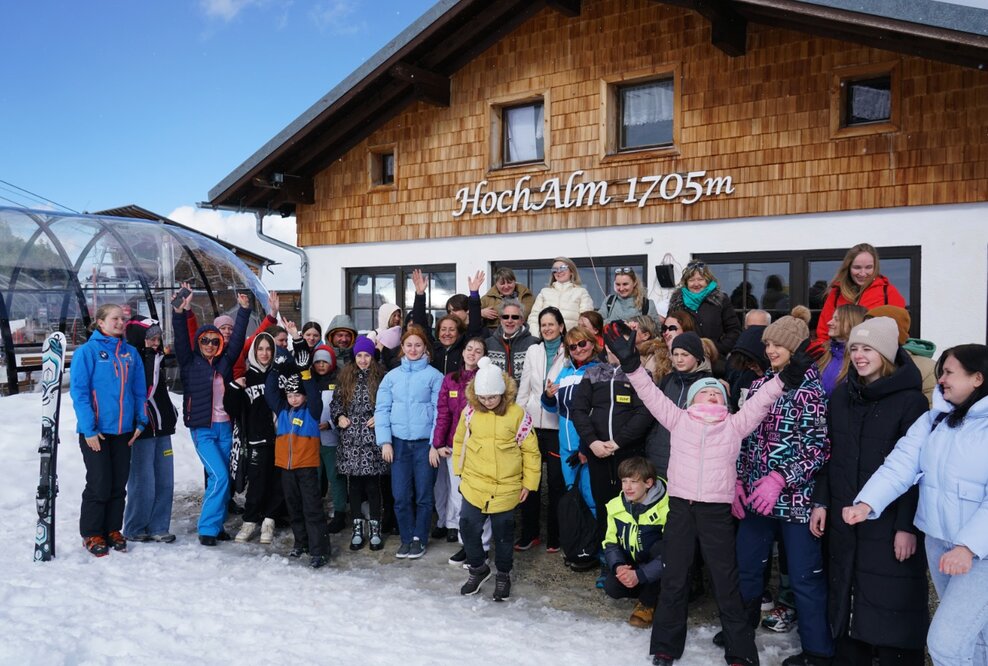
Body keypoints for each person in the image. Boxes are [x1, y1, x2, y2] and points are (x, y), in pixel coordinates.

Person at [603, 321, 815, 666]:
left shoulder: (734, 424)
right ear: (690, 399)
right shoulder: (677, 418)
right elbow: (649, 393)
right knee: (674, 577)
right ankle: (665, 648)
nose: (712, 395)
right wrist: (631, 365)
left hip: (716, 511)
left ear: (726, 400)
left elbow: (761, 401)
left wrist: (785, 379)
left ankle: (741, 652)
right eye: (704, 391)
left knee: (726, 582)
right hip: (681, 508)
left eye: (717, 392)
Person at [844, 344, 988, 666]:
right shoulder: (935, 420)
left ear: (977, 378)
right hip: (939, 542)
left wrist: (967, 547)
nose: (941, 381)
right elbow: (900, 465)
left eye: (949, 373)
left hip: (980, 553)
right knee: (978, 637)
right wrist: (867, 503)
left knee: (946, 645)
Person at [809, 318, 929, 665]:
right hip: (845, 512)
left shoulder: (911, 403)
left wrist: (907, 526)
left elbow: (916, 471)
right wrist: (821, 501)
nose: (860, 356)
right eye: (855, 349)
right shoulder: (843, 396)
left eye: (868, 349)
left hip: (889, 520)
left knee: (889, 595)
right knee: (846, 590)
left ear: (887, 352)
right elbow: (830, 456)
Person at [735, 311, 833, 666]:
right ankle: (738, 632)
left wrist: (781, 478)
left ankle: (818, 651)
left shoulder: (810, 390)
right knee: (747, 568)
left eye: (777, 344)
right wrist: (739, 482)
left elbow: (818, 449)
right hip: (756, 499)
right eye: (768, 344)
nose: (770, 350)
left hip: (795, 501)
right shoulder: (762, 384)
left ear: (794, 348)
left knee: (805, 578)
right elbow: (746, 438)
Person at [569, 327, 654, 588]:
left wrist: (618, 442)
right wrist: (593, 442)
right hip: (598, 454)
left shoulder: (642, 375)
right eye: (612, 343)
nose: (616, 348)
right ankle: (612, 563)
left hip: (628, 454)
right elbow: (578, 409)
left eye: (623, 343)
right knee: (607, 507)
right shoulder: (593, 373)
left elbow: (645, 413)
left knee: (634, 507)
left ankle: (639, 565)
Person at [453, 357, 540, 601]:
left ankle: (503, 573)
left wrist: (529, 484)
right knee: (468, 527)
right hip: (474, 482)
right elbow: (460, 441)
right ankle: (478, 569)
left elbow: (531, 452)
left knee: (504, 533)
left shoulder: (518, 415)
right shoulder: (470, 413)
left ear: (503, 393)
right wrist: (459, 472)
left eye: (492, 397)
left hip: (507, 485)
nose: (488, 402)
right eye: (483, 398)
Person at [172, 286, 252, 546]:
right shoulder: (189, 361)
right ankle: (207, 529)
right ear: (199, 342)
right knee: (218, 476)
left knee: (224, 478)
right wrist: (180, 311)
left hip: (225, 428)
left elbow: (238, 339)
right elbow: (182, 336)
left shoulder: (224, 363)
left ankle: (216, 526)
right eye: (205, 340)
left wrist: (244, 310)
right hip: (203, 429)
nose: (209, 345)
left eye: (214, 341)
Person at [70, 304, 149, 556]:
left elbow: (139, 391)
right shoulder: (87, 352)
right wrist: (88, 429)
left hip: (124, 431)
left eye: (122, 319)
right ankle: (92, 532)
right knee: (99, 482)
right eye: (114, 318)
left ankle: (113, 529)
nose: (120, 322)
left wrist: (140, 421)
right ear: (101, 323)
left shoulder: (130, 353)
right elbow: (79, 393)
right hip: (96, 432)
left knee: (118, 484)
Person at [375, 325, 444, 559]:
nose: (413, 349)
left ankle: (419, 538)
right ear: (402, 348)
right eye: (409, 345)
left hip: (425, 444)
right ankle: (406, 538)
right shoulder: (391, 377)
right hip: (399, 444)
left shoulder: (435, 376)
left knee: (424, 495)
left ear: (426, 348)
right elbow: (382, 409)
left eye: (418, 345)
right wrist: (385, 442)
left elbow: (439, 412)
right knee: (401, 495)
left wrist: (435, 444)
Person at [264, 358, 331, 568]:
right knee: (293, 508)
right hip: (286, 468)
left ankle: (319, 550)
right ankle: (301, 542)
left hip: (307, 468)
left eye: (297, 395)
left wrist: (306, 373)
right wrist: (275, 370)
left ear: (304, 396)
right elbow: (270, 393)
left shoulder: (311, 412)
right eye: (290, 395)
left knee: (312, 508)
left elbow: (313, 394)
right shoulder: (283, 410)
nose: (293, 399)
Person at [224, 332, 285, 545]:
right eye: (260, 349)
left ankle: (269, 520)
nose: (265, 353)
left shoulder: (279, 376)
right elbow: (231, 408)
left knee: (277, 483)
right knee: (257, 482)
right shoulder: (247, 378)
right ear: (254, 352)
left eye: (269, 349)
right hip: (256, 440)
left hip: (279, 439)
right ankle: (250, 520)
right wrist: (234, 387)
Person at [516, 307, 568, 552]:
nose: (547, 329)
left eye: (551, 324)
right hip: (532, 426)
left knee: (556, 483)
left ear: (560, 326)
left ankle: (556, 536)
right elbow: (524, 387)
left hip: (557, 426)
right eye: (543, 324)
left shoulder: (569, 351)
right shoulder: (533, 350)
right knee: (530, 480)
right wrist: (519, 419)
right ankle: (530, 533)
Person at [432, 337, 488, 563]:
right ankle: (467, 544)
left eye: (478, 350)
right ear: (462, 352)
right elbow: (443, 413)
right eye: (469, 349)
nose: (472, 353)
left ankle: (481, 547)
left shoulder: (486, 379)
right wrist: (439, 443)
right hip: (454, 447)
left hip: (479, 447)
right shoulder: (450, 380)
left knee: (478, 498)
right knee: (458, 497)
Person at [122, 316, 177, 544]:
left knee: (165, 480)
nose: (156, 342)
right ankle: (135, 526)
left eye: (158, 337)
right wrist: (149, 357)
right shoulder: (132, 360)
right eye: (151, 338)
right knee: (143, 480)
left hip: (163, 427)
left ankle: (159, 525)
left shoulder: (156, 358)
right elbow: (143, 389)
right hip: (141, 430)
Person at [331, 336, 389, 551]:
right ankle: (357, 528)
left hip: (372, 438)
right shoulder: (346, 376)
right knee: (353, 486)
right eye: (359, 356)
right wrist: (339, 417)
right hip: (351, 440)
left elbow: (388, 402)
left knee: (373, 486)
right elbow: (336, 402)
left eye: (367, 355)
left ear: (372, 357)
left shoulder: (381, 376)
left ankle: (375, 528)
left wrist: (381, 417)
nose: (363, 360)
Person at [541, 327, 600, 539]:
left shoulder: (599, 370)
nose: (578, 349)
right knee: (571, 494)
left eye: (582, 343)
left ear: (592, 343)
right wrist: (547, 396)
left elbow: (598, 412)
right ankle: (578, 542)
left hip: (588, 445)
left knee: (590, 495)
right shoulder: (565, 371)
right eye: (573, 346)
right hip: (566, 445)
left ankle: (596, 548)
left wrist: (587, 445)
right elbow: (552, 407)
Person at [602, 456, 669, 629]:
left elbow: (673, 553)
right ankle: (653, 593)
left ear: (648, 483)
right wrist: (618, 566)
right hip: (636, 563)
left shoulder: (668, 507)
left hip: (660, 565)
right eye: (624, 481)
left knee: (662, 549)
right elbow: (610, 544)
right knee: (611, 586)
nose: (627, 487)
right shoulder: (615, 505)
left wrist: (640, 575)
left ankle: (647, 602)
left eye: (633, 481)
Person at [644, 332, 711, 481]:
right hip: (659, 455)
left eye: (685, 354)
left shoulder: (709, 384)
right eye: (675, 354)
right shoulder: (667, 380)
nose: (679, 359)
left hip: (690, 460)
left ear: (697, 356)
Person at [815, 243, 906, 345]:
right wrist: (824, 356)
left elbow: (899, 333)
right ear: (848, 267)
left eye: (868, 267)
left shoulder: (888, 293)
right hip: (839, 355)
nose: (863, 273)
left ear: (875, 267)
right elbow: (823, 333)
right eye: (857, 267)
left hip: (873, 355)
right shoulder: (836, 293)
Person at [311, 343, 349, 534]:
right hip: (311, 438)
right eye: (317, 362)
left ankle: (340, 513)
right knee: (314, 477)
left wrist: (331, 423)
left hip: (331, 438)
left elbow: (343, 406)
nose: (320, 365)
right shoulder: (309, 380)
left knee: (335, 477)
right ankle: (316, 512)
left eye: (324, 362)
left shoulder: (339, 380)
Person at [667, 261, 741, 357]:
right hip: (684, 358)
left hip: (714, 359)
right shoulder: (677, 303)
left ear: (708, 281)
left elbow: (734, 330)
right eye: (691, 280)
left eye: (700, 279)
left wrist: (717, 349)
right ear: (685, 283)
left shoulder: (720, 300)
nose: (696, 284)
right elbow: (668, 330)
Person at [866, 305, 937, 405]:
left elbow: (929, 412)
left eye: (873, 328)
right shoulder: (859, 363)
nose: (866, 334)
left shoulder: (927, 368)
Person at [527, 257, 594, 332]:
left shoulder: (581, 292)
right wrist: (538, 337)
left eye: (562, 268)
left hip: (572, 340)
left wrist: (576, 339)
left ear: (571, 271)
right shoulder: (544, 292)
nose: (559, 271)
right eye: (555, 270)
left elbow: (586, 321)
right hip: (546, 340)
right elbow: (533, 318)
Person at [816, 304, 867, 396]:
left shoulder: (862, 359)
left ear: (852, 323)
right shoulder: (823, 352)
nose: (829, 323)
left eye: (837, 319)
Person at [486, 298, 538, 383]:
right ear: (500, 320)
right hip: (497, 395)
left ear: (522, 321)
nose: (510, 321)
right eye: (506, 317)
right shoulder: (488, 344)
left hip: (524, 395)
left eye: (515, 317)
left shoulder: (534, 343)